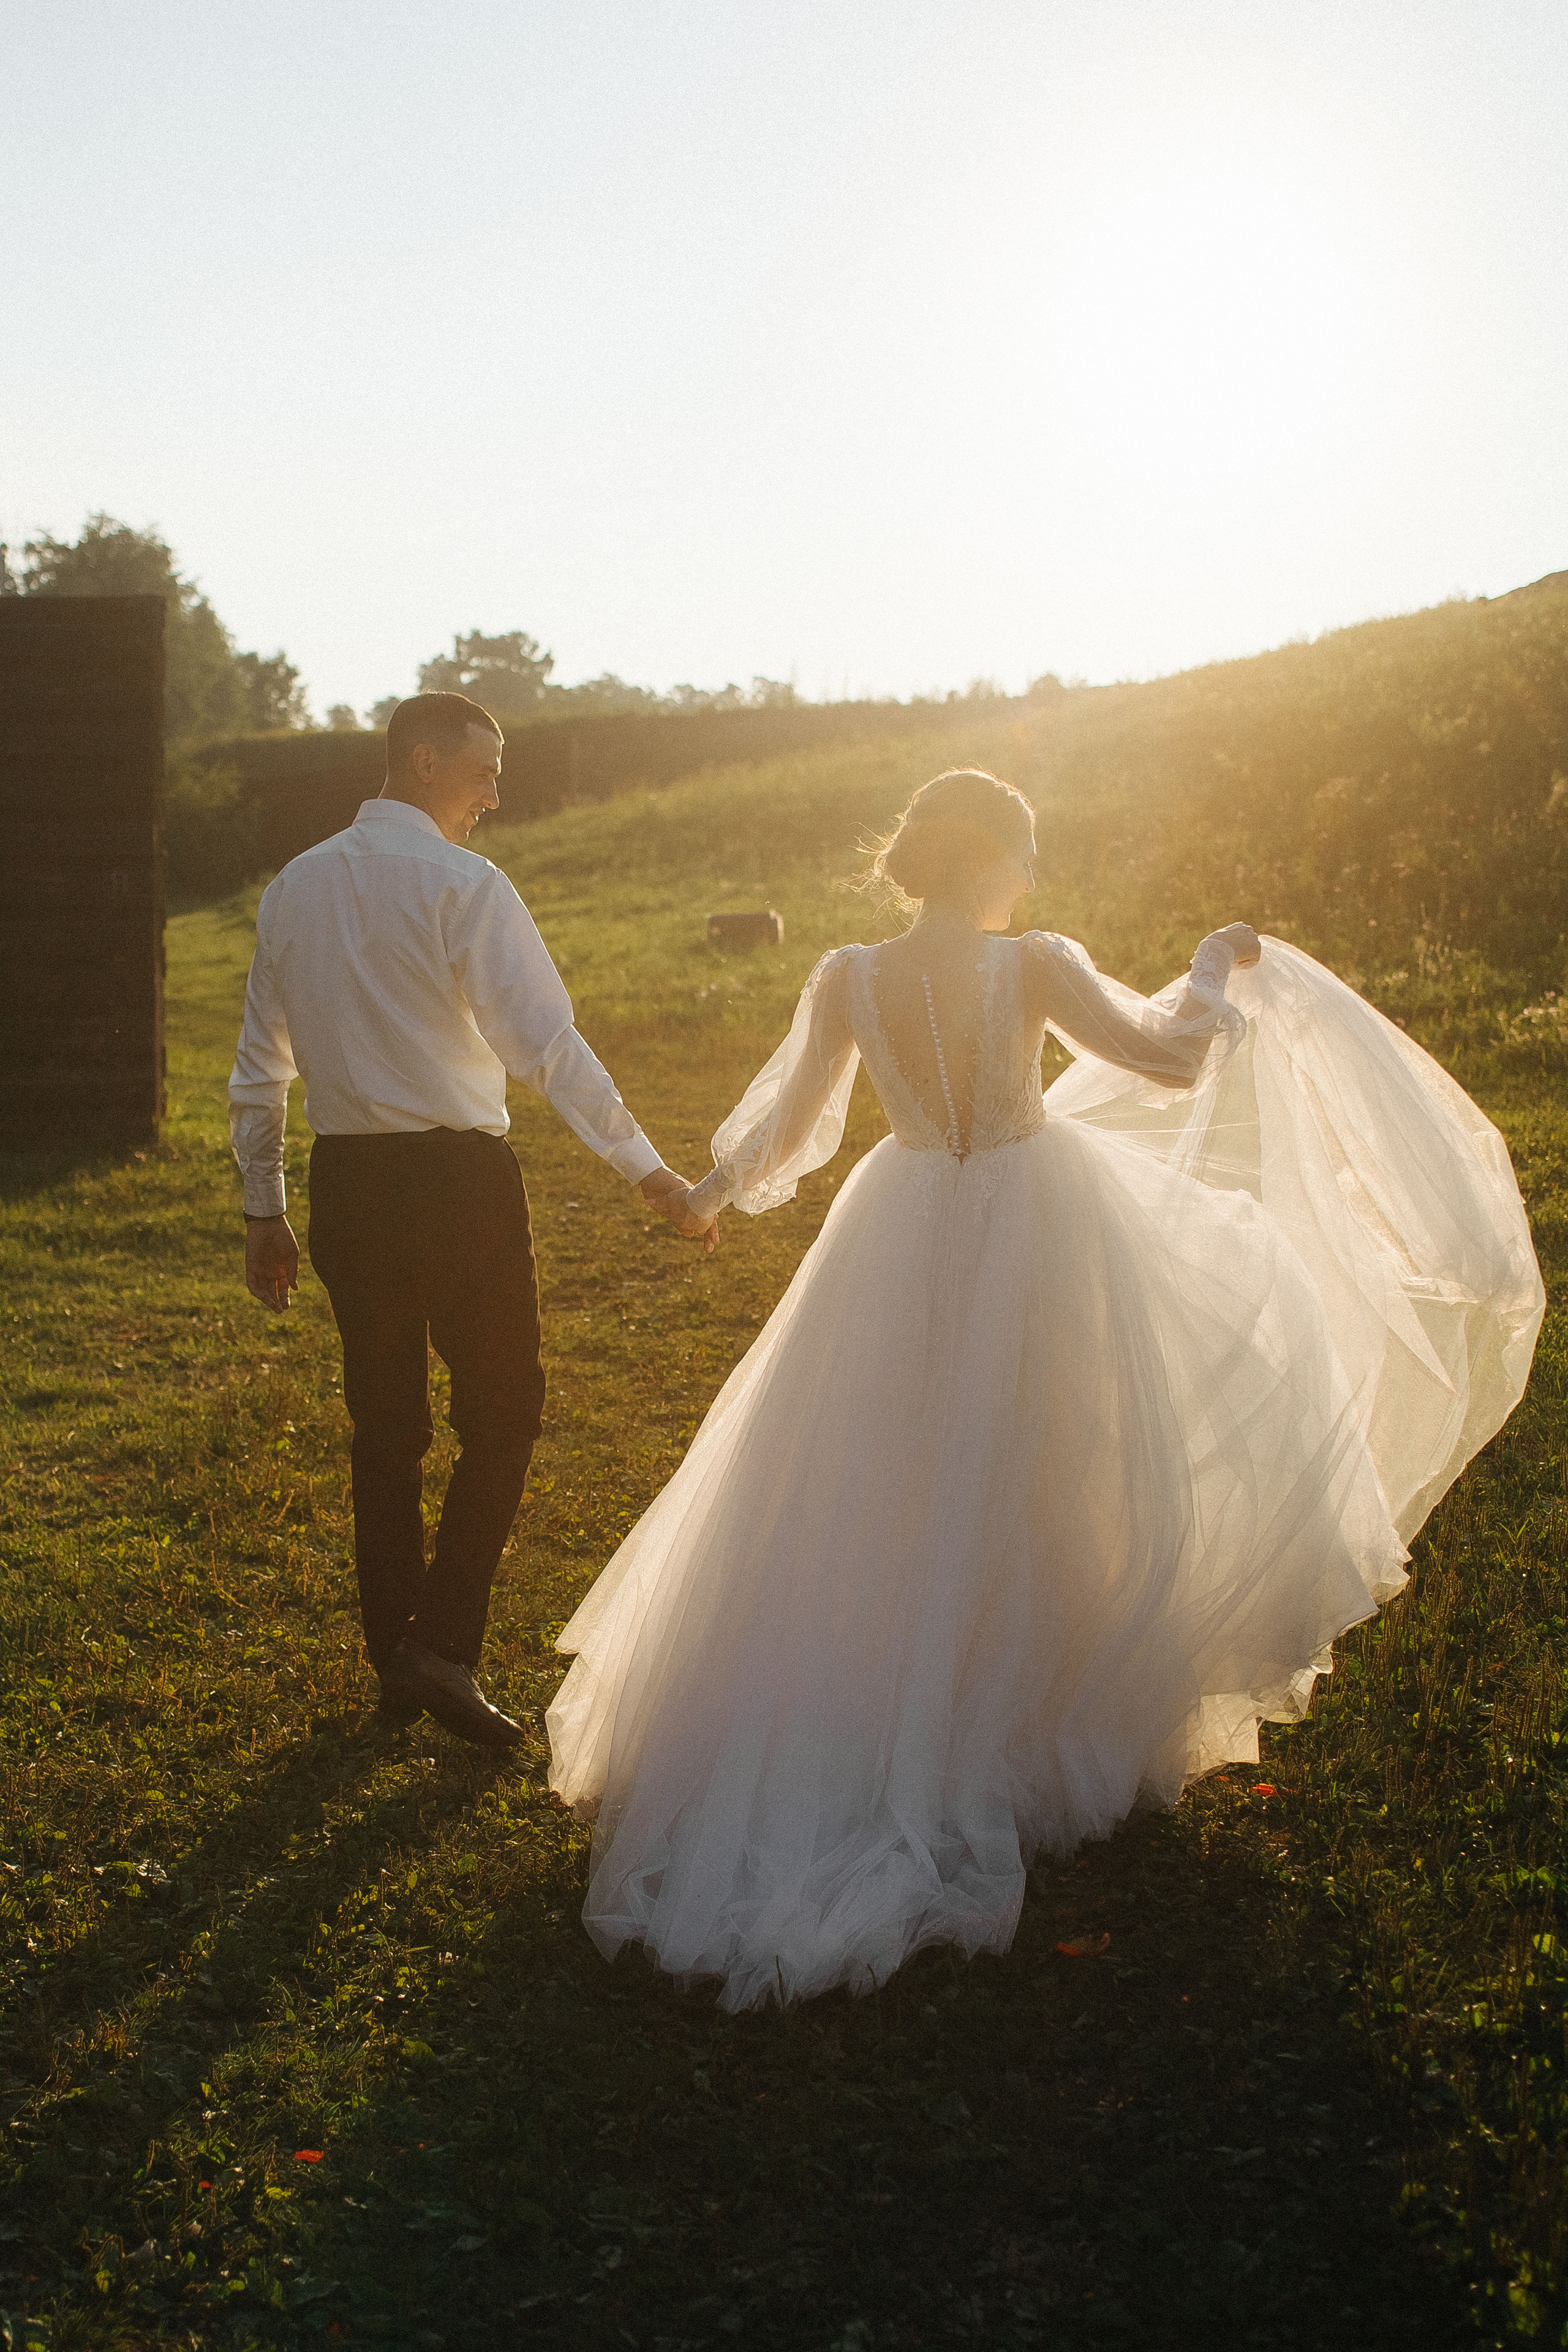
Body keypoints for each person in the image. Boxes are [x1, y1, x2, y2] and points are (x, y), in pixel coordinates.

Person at [546, 766, 1544, 2011]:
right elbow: (1169, 1060)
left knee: (890, 1465)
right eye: (1024, 854)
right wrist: (1208, 969)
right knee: (1053, 1454)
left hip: (900, 1223)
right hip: (1028, 1216)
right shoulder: (1032, 962)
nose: (1030, 875)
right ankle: (1028, 1717)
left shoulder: (848, 975)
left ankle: (898, 1698)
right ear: (993, 860)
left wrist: (706, 1200)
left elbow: (791, 1121)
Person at [229, 692, 712, 1748]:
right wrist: (646, 1170)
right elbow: (546, 1045)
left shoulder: (293, 888)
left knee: (386, 1429)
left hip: (345, 1185)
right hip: (457, 1188)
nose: (497, 795)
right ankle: (441, 1646)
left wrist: (264, 1208)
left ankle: (398, 1658)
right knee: (504, 1417)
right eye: (485, 771)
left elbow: (259, 1072)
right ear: (424, 759)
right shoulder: (465, 885)